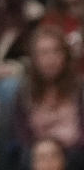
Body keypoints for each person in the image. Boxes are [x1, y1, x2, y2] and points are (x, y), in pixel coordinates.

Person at [11, 26, 84, 166]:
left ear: (65, 54)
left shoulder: (80, 89)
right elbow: (22, 135)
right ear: (34, 58)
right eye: (43, 53)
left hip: (75, 154)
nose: (50, 59)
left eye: (56, 51)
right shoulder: (24, 92)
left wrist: (58, 148)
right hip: (38, 154)